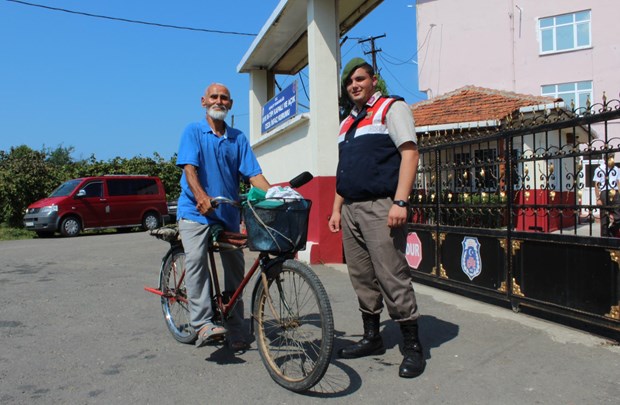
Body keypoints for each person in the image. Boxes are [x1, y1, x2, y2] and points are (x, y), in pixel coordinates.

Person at [328, 58, 426, 378]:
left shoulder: (390, 108)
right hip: (350, 208)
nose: (354, 85)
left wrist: (400, 201)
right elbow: (345, 170)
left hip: (380, 206)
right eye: (349, 82)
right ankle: (372, 337)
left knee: (391, 275)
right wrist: (336, 209)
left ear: (373, 80)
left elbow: (410, 153)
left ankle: (412, 346)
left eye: (360, 79)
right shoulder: (346, 122)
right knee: (361, 277)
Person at [176, 83, 270, 351]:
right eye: (214, 97)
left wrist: (277, 195)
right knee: (196, 260)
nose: (219, 101)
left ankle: (236, 326)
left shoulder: (238, 138)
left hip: (227, 213)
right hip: (195, 212)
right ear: (203, 101)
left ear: (230, 104)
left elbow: (254, 175)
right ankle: (202, 323)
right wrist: (201, 196)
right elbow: (189, 169)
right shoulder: (193, 131)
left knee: (236, 270)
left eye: (224, 98)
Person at [593, 159, 620, 236]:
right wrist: (598, 198)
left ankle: (610, 231)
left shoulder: (616, 168)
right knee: (604, 219)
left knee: (618, 217)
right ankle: (604, 238)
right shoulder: (599, 169)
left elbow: (618, 182)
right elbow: (596, 184)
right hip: (604, 193)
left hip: (615, 192)